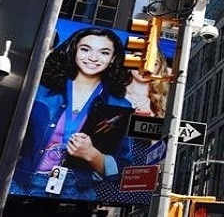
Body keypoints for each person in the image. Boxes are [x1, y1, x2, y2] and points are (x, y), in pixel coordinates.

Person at [10, 26, 134, 200]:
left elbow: (121, 171)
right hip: (19, 184)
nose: (93, 58)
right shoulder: (40, 91)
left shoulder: (120, 106)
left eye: (104, 53)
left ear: (113, 59)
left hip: (75, 192)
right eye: (85, 49)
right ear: (74, 50)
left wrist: (91, 154)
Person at [125, 51, 169, 117]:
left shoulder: (166, 100)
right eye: (139, 60)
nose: (145, 67)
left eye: (152, 62)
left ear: (160, 68)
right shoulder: (110, 92)